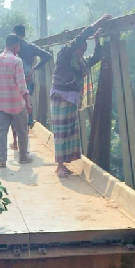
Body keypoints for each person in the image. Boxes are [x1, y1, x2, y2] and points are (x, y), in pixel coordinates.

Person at [50, 13, 111, 177]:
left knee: (70, 132)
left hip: (72, 99)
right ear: (74, 47)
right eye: (80, 49)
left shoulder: (81, 62)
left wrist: (97, 41)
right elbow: (80, 37)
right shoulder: (64, 55)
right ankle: (59, 166)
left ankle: (64, 163)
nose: (82, 53)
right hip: (61, 97)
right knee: (61, 132)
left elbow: (96, 58)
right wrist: (97, 23)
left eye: (84, 50)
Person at [0, 34, 33, 169]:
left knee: (2, 132)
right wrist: (27, 103)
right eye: (18, 46)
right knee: (22, 131)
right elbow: (22, 84)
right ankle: (23, 157)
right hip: (16, 104)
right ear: (15, 46)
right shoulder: (16, 61)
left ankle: (2, 160)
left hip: (0, 104)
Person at [12, 24, 52, 133]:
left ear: (14, 33)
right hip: (28, 79)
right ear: (24, 34)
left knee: (15, 106)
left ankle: (16, 134)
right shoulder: (30, 47)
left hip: (14, 81)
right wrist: (34, 68)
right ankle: (27, 128)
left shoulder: (11, 48)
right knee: (27, 104)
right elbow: (48, 55)